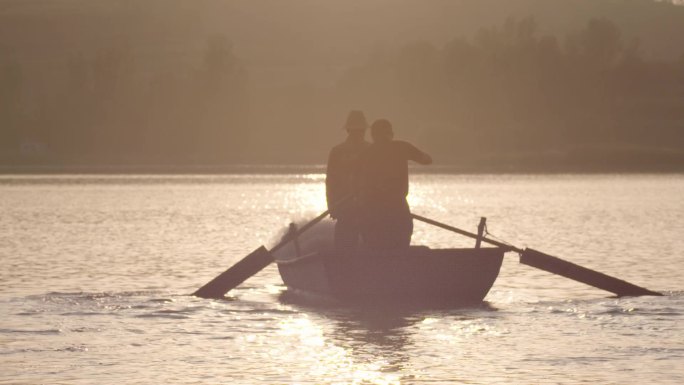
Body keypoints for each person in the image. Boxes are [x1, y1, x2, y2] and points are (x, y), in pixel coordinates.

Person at [358, 119, 432, 250]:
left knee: (374, 247)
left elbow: (358, 182)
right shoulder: (402, 147)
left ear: (373, 136)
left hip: (372, 209)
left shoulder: (366, 153)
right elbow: (427, 160)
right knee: (401, 245)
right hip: (397, 207)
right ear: (391, 133)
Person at [326, 110, 371, 252]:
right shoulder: (337, 151)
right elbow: (331, 181)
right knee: (344, 249)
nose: (359, 133)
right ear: (348, 130)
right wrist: (332, 205)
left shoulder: (372, 150)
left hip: (368, 209)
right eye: (356, 131)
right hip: (345, 208)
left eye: (361, 130)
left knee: (370, 248)